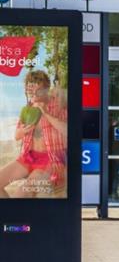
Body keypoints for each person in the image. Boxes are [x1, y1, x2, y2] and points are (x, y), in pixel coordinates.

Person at [0, 69, 67, 198]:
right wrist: (22, 131)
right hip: (28, 158)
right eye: (31, 90)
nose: (34, 94)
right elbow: (17, 136)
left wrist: (45, 112)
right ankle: (9, 216)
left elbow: (67, 131)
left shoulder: (59, 104)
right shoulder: (28, 108)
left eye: (38, 90)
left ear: (46, 88)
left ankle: (14, 216)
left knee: (21, 193)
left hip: (50, 160)